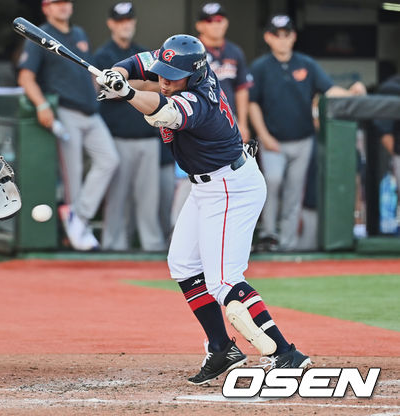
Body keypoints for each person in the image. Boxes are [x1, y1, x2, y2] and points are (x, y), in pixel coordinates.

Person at [96, 34, 311, 385]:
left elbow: (161, 111)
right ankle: (222, 347)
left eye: (172, 77)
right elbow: (140, 63)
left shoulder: (198, 102)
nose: (164, 81)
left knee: (224, 282)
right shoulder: (182, 66)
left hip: (231, 188)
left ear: (193, 75)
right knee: (182, 264)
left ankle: (286, 354)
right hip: (205, 186)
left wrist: (127, 91)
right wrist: (118, 71)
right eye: (161, 74)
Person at [249, 14, 366, 251]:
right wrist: (263, 135)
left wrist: (352, 93)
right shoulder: (260, 66)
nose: (282, 40)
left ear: (293, 36)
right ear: (268, 37)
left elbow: (329, 90)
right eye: (277, 35)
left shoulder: (306, 64)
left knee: (294, 191)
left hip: (302, 139)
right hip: (273, 140)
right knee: (271, 183)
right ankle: (269, 235)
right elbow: (252, 103)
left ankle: (287, 242)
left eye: (287, 35)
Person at [17, 0, 119, 251]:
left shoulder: (80, 33)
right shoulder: (39, 34)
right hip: (65, 111)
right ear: (46, 8)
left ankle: (79, 218)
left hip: (91, 112)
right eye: (56, 2)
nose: (63, 6)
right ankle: (77, 222)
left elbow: (87, 73)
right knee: (72, 174)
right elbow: (25, 77)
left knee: (110, 160)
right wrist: (41, 105)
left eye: (66, 1)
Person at [93, 2, 165, 251]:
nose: (125, 25)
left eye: (128, 20)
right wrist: (137, 85)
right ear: (111, 23)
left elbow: (161, 86)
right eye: (120, 20)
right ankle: (113, 247)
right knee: (117, 199)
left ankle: (152, 247)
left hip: (148, 135)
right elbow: (103, 90)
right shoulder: (102, 55)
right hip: (117, 137)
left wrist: (129, 86)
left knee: (149, 200)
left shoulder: (143, 54)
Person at [195, 2, 252, 142]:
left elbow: (241, 89)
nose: (215, 24)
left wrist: (243, 124)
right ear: (199, 25)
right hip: (197, 121)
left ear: (226, 22)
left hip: (228, 120)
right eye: (209, 21)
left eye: (219, 20)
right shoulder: (191, 50)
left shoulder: (235, 51)